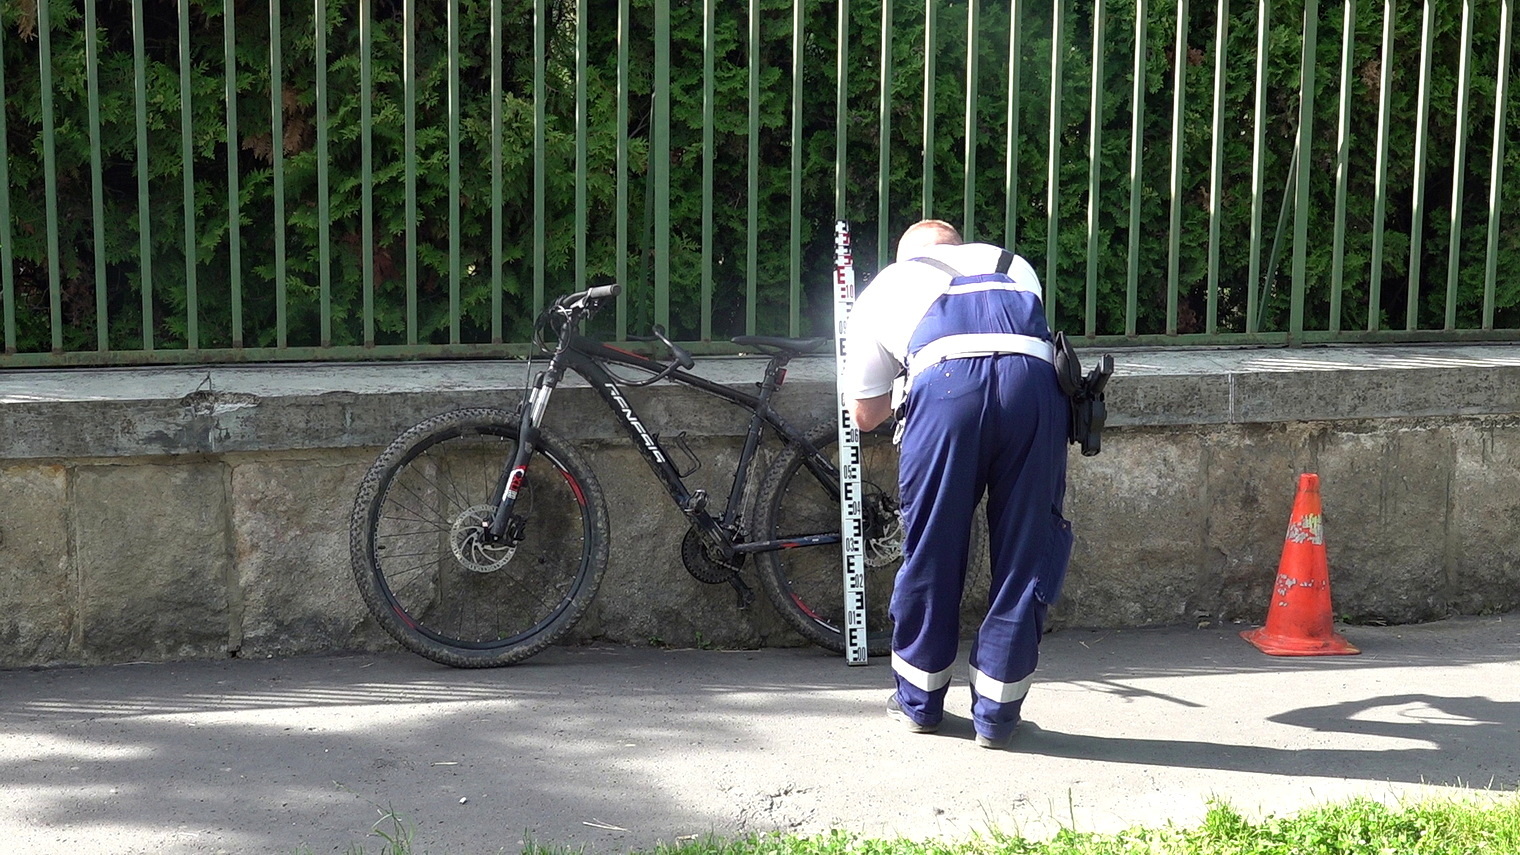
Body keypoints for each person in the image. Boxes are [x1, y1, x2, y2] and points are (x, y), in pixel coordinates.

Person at [842, 219, 1073, 749]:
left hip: (947, 391)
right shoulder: (1012, 264)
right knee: (1026, 549)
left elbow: (866, 415)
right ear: (960, 245)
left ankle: (919, 704)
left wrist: (906, 382)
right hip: (1034, 393)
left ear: (906, 256)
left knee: (934, 545)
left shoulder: (886, 288)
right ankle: (997, 716)